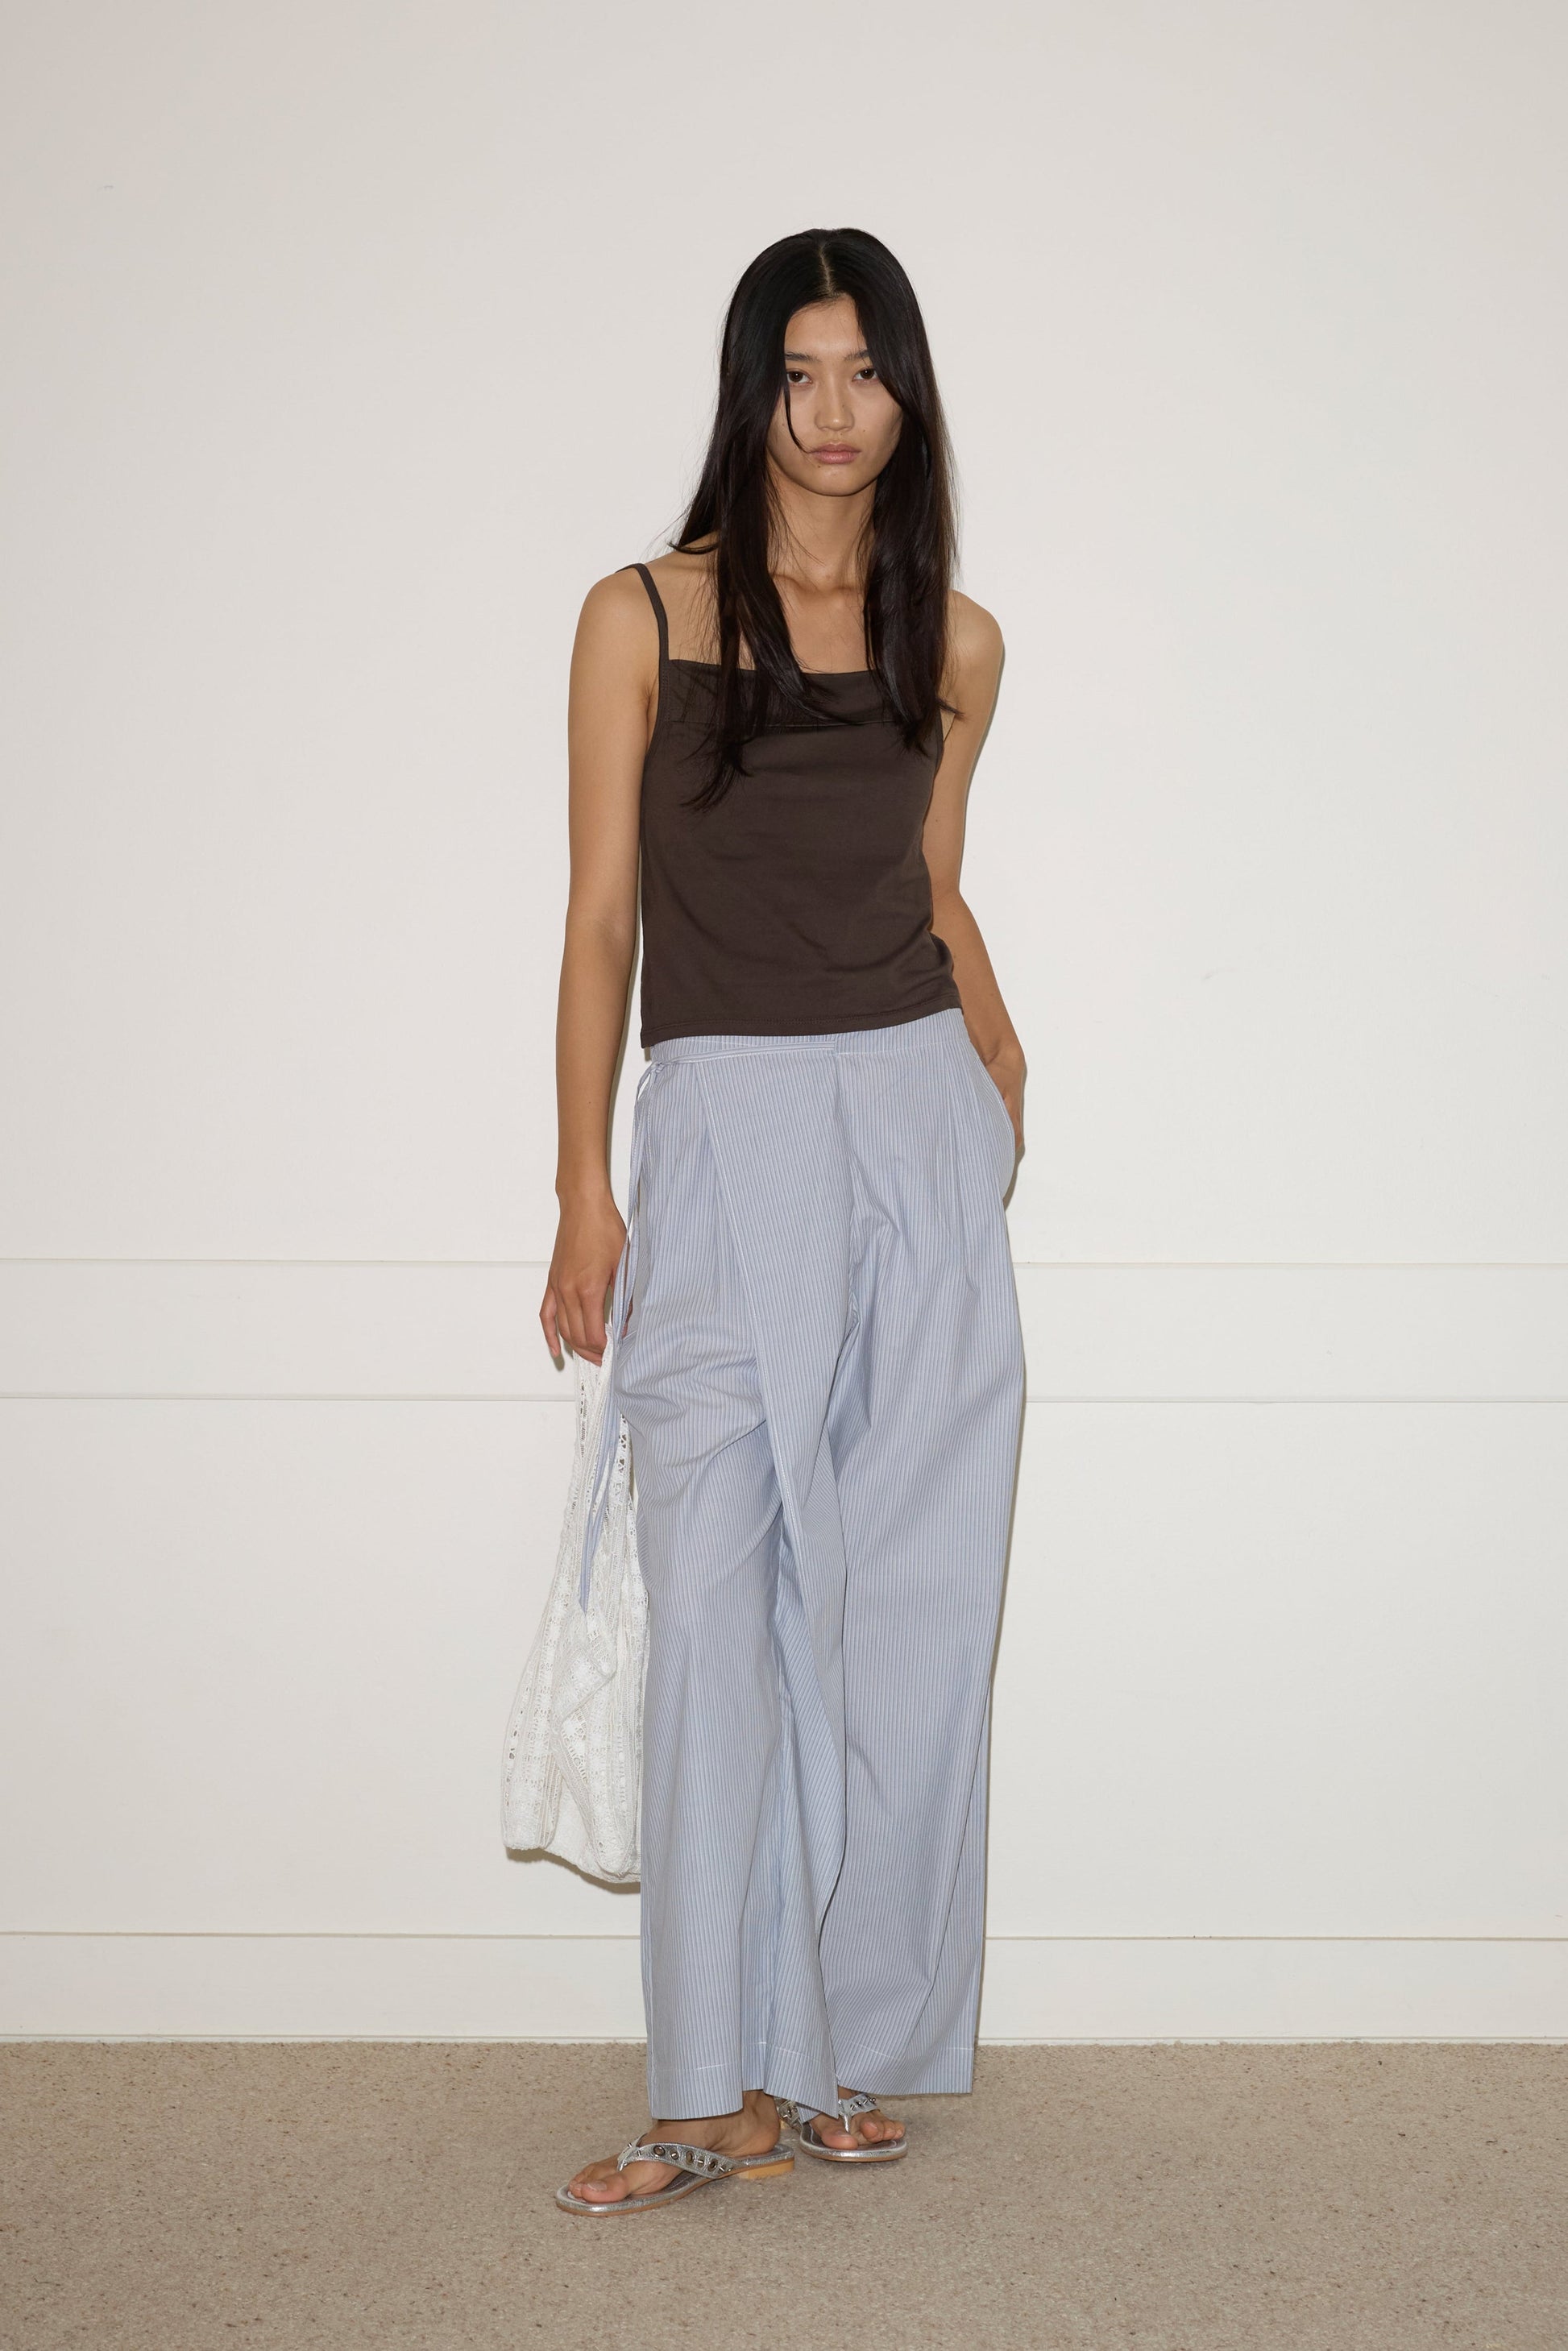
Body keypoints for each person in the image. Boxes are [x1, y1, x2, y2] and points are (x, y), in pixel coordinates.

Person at [541, 226, 1025, 2214]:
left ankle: (834, 2047)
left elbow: (935, 885)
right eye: (797, 373)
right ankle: (703, 2090)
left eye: (866, 373)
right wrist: (584, 1181)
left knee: (900, 1611)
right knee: (720, 1613)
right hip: (724, 1128)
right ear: (752, 393)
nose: (834, 415)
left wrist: (1001, 1076)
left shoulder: (956, 640)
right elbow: (598, 922)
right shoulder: (640, 616)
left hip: (918, 1113)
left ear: (907, 393)